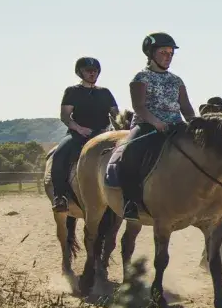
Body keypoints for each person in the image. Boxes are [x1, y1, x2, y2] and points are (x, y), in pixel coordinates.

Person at [120, 32, 195, 221]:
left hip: (176, 126)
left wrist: (195, 124)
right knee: (129, 153)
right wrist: (157, 123)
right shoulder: (141, 78)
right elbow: (139, 106)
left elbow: (186, 107)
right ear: (151, 53)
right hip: (147, 126)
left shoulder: (176, 80)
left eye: (171, 53)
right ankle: (131, 202)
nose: (168, 56)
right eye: (163, 52)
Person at [51, 57, 119, 212]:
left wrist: (115, 129)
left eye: (95, 71)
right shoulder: (72, 91)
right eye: (88, 71)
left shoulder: (105, 92)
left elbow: (116, 114)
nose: (92, 73)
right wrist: (79, 129)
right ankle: (60, 196)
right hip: (78, 134)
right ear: (79, 72)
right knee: (59, 154)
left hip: (103, 134)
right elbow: (65, 116)